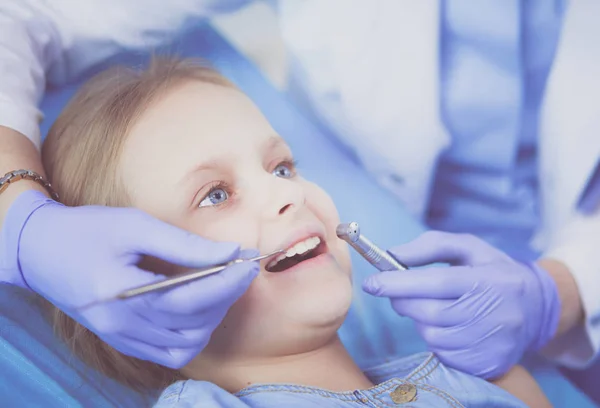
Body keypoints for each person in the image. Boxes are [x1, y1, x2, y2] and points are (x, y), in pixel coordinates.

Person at [0, 0, 598, 390]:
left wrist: (556, 296)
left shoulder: (470, 378)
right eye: (215, 195)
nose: (288, 196)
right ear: (137, 286)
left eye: (282, 167)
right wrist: (22, 223)